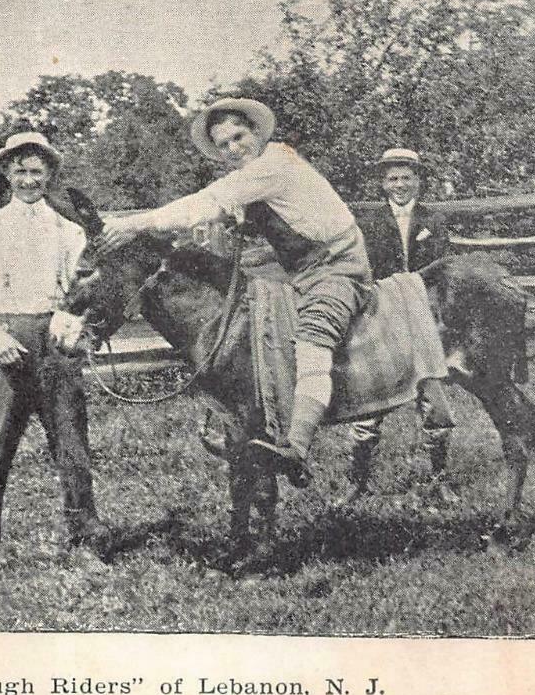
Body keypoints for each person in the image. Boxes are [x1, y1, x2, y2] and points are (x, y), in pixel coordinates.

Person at [100, 98, 373, 487]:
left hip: (338, 267)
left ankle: (296, 446)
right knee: (252, 318)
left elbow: (206, 203)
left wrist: (133, 224)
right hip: (298, 269)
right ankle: (259, 409)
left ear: (257, 133)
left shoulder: (274, 165)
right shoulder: (254, 174)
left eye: (239, 137)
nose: (233, 148)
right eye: (223, 144)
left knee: (313, 338)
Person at [0, 131, 111, 586]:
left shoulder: (68, 230)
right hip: (7, 340)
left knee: (72, 447)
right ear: (7, 173)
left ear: (49, 175)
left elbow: (83, 288)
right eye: (20, 171)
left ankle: (85, 542)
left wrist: (76, 325)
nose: (28, 180)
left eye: (37, 172)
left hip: (55, 344)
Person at [348, 148, 456, 502]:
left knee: (433, 400)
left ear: (418, 181)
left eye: (406, 178)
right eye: (392, 179)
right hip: (382, 315)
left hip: (422, 316)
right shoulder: (369, 222)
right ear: (383, 184)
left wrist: (414, 288)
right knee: (368, 401)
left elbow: (443, 264)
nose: (400, 185)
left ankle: (438, 481)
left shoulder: (433, 219)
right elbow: (361, 267)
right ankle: (357, 483)